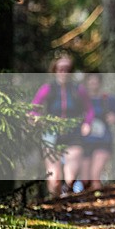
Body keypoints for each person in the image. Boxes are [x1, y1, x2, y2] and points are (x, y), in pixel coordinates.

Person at [30, 53, 93, 198]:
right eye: (60, 69)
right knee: (55, 178)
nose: (63, 72)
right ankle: (55, 206)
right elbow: (33, 108)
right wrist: (37, 119)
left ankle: (67, 198)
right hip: (51, 134)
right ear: (55, 70)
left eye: (67, 69)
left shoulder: (78, 89)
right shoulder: (47, 88)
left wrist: (87, 124)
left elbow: (89, 110)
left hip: (74, 134)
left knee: (70, 177)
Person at [79, 72, 115, 191]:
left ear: (100, 83)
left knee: (95, 176)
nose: (93, 84)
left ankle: (98, 204)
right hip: (85, 142)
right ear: (86, 83)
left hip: (103, 141)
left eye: (96, 81)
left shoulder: (108, 99)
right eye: (91, 81)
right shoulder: (80, 100)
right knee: (85, 180)